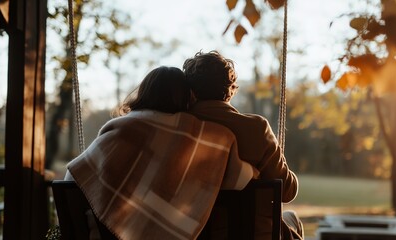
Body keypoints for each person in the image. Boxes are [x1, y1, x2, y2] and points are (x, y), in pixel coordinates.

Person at [64, 66, 257, 240]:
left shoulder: (120, 130)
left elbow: (72, 178)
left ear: (143, 91)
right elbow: (240, 179)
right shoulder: (208, 138)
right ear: (187, 97)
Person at [183, 51, 304, 240]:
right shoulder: (257, 128)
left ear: (190, 90)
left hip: (195, 233)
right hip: (255, 234)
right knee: (291, 217)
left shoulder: (179, 128)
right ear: (230, 89)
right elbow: (287, 191)